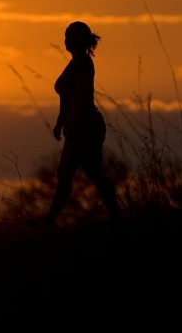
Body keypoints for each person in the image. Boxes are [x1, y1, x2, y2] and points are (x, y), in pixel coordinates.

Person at [27, 21, 121, 228]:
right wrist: (60, 123)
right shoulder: (75, 62)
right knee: (89, 173)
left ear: (82, 39)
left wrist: (72, 122)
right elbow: (66, 97)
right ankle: (116, 217)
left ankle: (50, 220)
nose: (67, 40)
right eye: (66, 35)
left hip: (85, 126)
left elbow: (82, 95)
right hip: (78, 125)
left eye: (72, 36)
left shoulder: (83, 64)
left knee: (69, 172)